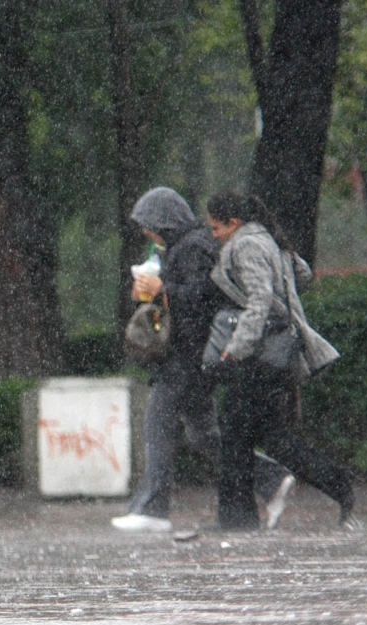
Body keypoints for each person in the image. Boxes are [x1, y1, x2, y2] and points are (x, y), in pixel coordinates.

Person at [111, 187, 295, 533]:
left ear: (164, 221)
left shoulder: (193, 247)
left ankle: (153, 508)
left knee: (158, 425)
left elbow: (201, 299)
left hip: (187, 358)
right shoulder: (180, 247)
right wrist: (154, 291)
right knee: (202, 435)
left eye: (150, 225)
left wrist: (163, 289)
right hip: (190, 358)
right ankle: (271, 478)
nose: (147, 233)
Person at [205, 191, 356, 530]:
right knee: (259, 434)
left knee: (237, 432)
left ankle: (238, 519)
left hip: (260, 356)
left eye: (216, 228)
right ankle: (335, 483)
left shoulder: (244, 245)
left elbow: (258, 300)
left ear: (234, 223)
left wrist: (237, 346)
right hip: (276, 355)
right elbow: (301, 274)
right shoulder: (268, 239)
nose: (214, 235)